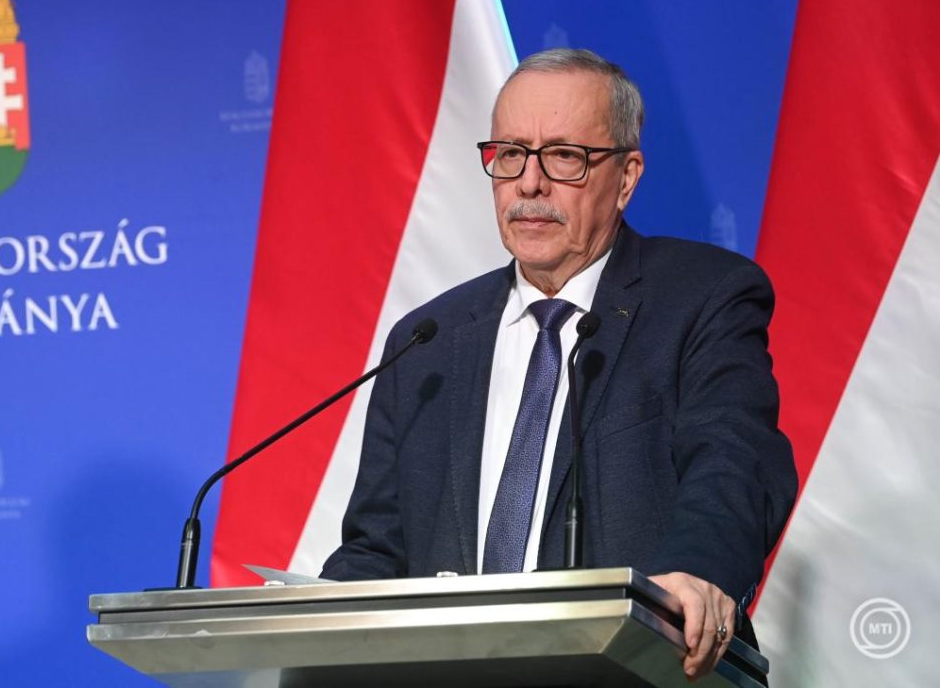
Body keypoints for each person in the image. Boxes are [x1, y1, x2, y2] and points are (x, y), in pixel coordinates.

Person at [320, 49, 798, 682]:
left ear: (626, 177)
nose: (530, 184)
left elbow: (733, 459)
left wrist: (700, 573)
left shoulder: (703, 296)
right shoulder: (428, 340)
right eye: (511, 154)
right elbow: (376, 547)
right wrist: (314, 620)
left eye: (564, 156)